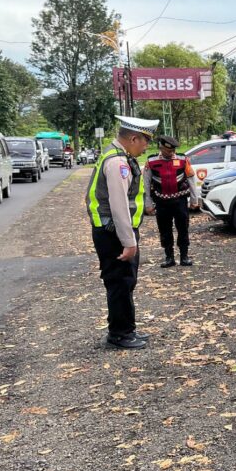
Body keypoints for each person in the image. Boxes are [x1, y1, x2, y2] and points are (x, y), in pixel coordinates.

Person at [86, 115, 159, 350]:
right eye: (145, 141)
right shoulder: (118, 163)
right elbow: (119, 206)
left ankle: (126, 328)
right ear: (134, 138)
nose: (147, 147)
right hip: (113, 232)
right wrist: (129, 242)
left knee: (124, 282)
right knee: (120, 282)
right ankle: (120, 334)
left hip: (111, 231)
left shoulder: (115, 155)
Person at [143, 135, 201, 268]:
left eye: (173, 151)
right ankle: (169, 257)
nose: (171, 153)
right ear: (161, 148)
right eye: (168, 151)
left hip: (179, 201)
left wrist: (194, 200)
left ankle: (184, 256)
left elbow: (191, 179)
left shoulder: (182, 159)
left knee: (183, 228)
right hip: (161, 202)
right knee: (165, 230)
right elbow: (146, 183)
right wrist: (148, 203)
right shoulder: (151, 161)